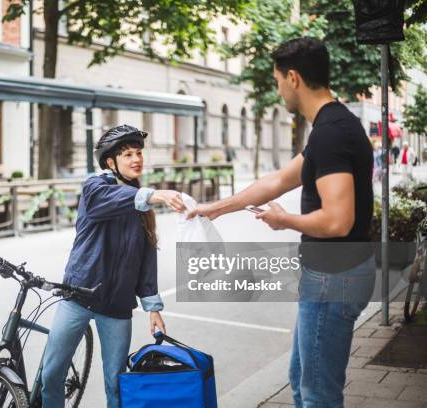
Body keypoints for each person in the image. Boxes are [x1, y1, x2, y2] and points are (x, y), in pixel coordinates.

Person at [188, 37, 375, 407]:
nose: (278, 92)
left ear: (293, 78)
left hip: (333, 278)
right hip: (333, 275)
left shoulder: (332, 132)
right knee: (300, 378)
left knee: (318, 395)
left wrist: (285, 219)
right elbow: (277, 180)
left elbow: (338, 220)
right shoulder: (331, 126)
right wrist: (217, 208)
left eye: (276, 81)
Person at [40, 125, 186, 408]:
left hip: (117, 307)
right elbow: (102, 203)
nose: (136, 159)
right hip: (77, 297)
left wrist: (153, 307)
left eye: (139, 153)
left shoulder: (142, 207)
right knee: (51, 375)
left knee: (116, 385)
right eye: (128, 154)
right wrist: (151, 195)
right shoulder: (95, 188)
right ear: (111, 162)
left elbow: (145, 260)